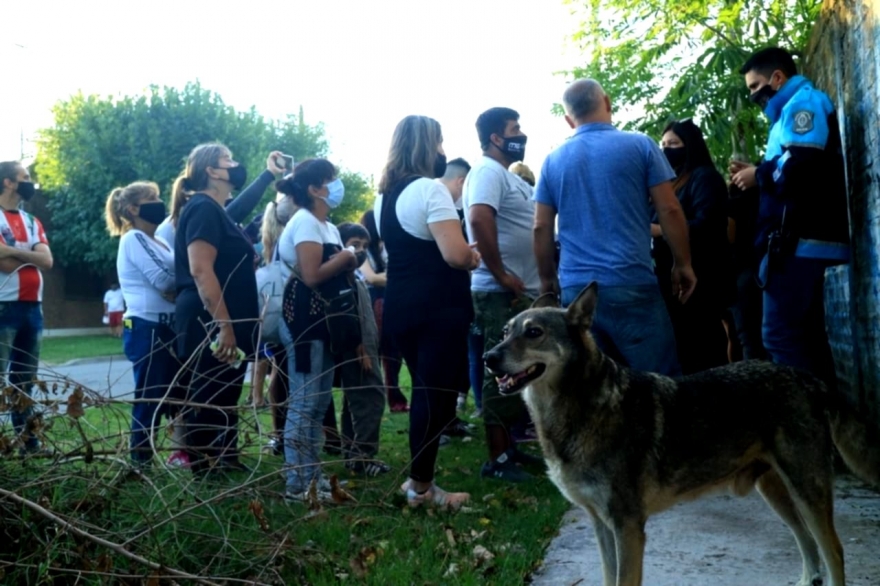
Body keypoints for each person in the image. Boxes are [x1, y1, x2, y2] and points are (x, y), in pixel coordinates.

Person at [533, 80, 696, 376]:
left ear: (569, 120)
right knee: (659, 383)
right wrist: (682, 263)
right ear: (607, 103)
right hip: (631, 281)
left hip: (577, 292)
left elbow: (541, 226)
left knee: (596, 388)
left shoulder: (552, 161)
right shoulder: (640, 145)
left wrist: (547, 280)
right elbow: (669, 209)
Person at [375, 115, 480, 509]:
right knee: (434, 397)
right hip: (438, 308)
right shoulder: (431, 190)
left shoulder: (383, 195)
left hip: (402, 305)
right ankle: (421, 488)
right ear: (426, 146)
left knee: (424, 391)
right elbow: (454, 255)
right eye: (439, 143)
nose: (442, 151)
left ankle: (421, 481)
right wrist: (473, 257)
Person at [730, 47, 849, 384]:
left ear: (777, 78)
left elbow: (802, 166)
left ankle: (807, 424)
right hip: (794, 244)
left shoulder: (803, 103)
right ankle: (822, 422)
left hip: (800, 245)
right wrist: (758, 174)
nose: (753, 95)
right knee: (803, 341)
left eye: (755, 87)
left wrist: (759, 174)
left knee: (780, 338)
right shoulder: (785, 115)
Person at [463, 107, 542, 482]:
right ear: (496, 137)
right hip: (499, 292)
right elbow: (479, 219)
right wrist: (502, 274)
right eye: (515, 129)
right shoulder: (486, 172)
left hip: (516, 289)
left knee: (517, 367)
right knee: (503, 368)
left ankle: (509, 447)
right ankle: (496, 459)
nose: (521, 135)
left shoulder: (504, 175)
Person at [172, 143, 261, 475]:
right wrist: (224, 324)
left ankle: (222, 459)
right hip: (209, 319)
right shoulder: (202, 209)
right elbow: (200, 269)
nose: (236, 164)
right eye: (229, 160)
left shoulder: (217, 211)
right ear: (211, 170)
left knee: (224, 391)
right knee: (208, 392)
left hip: (227, 320)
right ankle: (204, 470)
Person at [275, 158, 357, 502]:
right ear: (314, 189)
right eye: (331, 180)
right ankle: (297, 483)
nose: (337, 184)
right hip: (304, 320)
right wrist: (348, 256)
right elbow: (312, 275)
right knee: (305, 402)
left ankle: (313, 475)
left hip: (324, 321)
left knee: (320, 400)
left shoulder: (328, 226)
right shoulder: (306, 223)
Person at [105, 181, 177, 465]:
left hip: (167, 327)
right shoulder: (132, 238)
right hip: (147, 328)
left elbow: (171, 282)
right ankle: (140, 461)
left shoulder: (160, 239)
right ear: (133, 208)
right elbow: (164, 280)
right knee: (150, 398)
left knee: (170, 396)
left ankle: (167, 453)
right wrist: (179, 284)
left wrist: (175, 287)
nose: (159, 202)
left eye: (159, 197)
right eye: (152, 198)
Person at [653, 119, 733, 374]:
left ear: (691, 146)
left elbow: (708, 226)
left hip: (701, 278)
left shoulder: (704, 178)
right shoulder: (667, 186)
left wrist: (659, 230)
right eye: (663, 144)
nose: (666, 150)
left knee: (705, 351)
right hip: (671, 281)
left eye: (674, 144)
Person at [0, 161, 53, 455]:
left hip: (33, 308)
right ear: (8, 182)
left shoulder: (32, 220)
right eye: (25, 178)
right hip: (3, 307)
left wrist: (10, 250)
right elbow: (3, 265)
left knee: (24, 381)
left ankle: (27, 443)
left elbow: (47, 261)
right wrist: (28, 254)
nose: (30, 183)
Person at [332, 221, 389, 475]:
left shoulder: (353, 275)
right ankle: (363, 457)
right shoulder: (342, 277)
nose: (360, 251)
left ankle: (353, 454)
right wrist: (361, 348)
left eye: (364, 246)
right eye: (354, 245)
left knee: (354, 400)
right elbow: (348, 316)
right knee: (371, 397)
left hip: (367, 344)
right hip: (358, 348)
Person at [357, 210, 409, 413]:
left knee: (392, 353)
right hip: (375, 301)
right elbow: (371, 277)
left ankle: (392, 397)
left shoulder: (383, 248)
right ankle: (385, 397)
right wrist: (402, 276)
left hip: (387, 300)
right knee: (381, 352)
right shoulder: (364, 250)